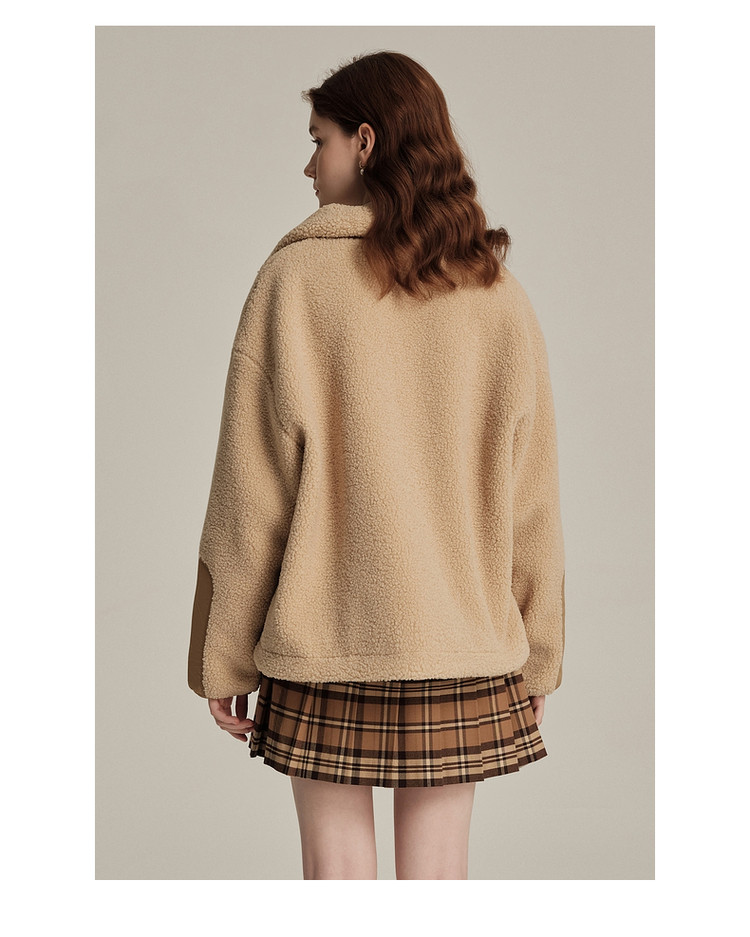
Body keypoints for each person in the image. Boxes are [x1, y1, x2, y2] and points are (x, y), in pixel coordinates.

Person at [187, 50, 566, 881]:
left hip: (324, 643)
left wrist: (224, 653)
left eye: (317, 140)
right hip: (461, 644)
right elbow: (530, 500)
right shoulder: (497, 295)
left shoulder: (293, 282)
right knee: (438, 879)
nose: (308, 165)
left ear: (364, 142)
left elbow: (251, 496)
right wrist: (540, 651)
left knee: (337, 877)